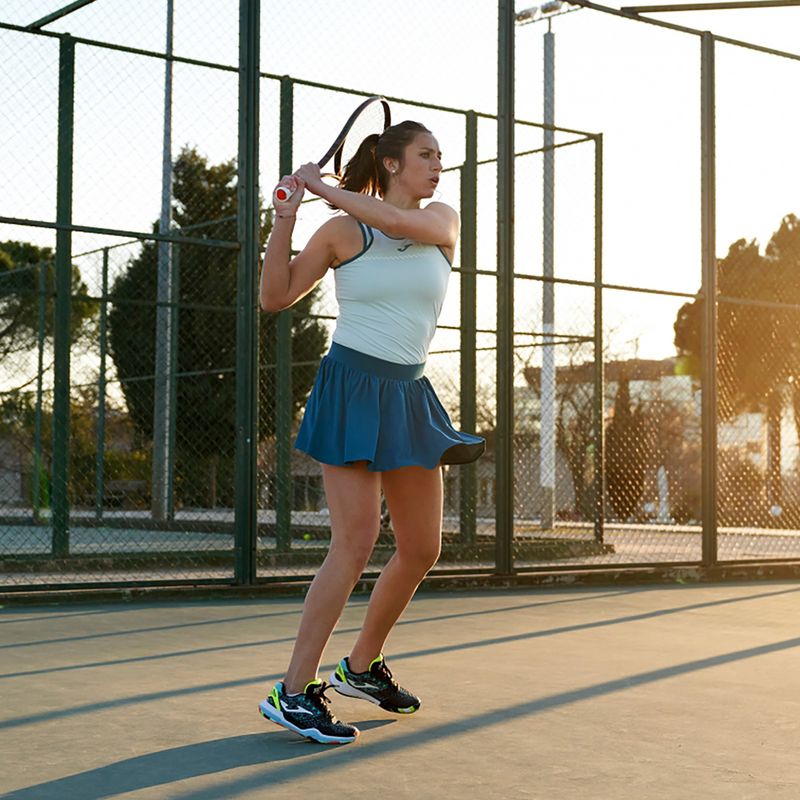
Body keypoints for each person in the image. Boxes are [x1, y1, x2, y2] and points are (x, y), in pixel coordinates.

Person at [257, 120, 484, 745]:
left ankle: (360, 667)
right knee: (354, 543)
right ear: (390, 164)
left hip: (410, 394)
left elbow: (404, 226)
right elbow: (274, 297)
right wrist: (285, 218)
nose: (438, 165)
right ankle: (294, 690)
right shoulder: (341, 231)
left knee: (421, 547)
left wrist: (327, 188)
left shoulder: (442, 220)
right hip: (352, 387)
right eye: (425, 155)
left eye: (440, 156)